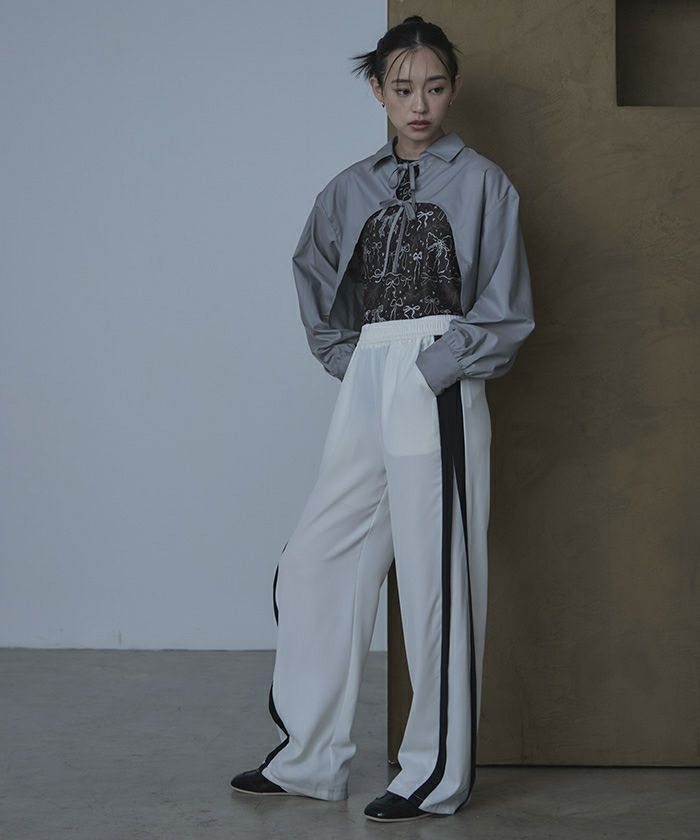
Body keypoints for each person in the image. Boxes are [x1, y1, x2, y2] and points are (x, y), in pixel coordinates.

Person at [231, 14, 535, 823]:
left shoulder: (484, 184)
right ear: (378, 91)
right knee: (316, 560)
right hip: (371, 370)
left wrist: (432, 369)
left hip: (441, 370)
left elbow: (507, 308)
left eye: (433, 87)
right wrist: (352, 360)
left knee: (436, 578)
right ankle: (309, 757)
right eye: (403, 89)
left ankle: (432, 773)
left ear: (453, 90)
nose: (418, 104)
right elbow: (313, 272)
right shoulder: (348, 189)